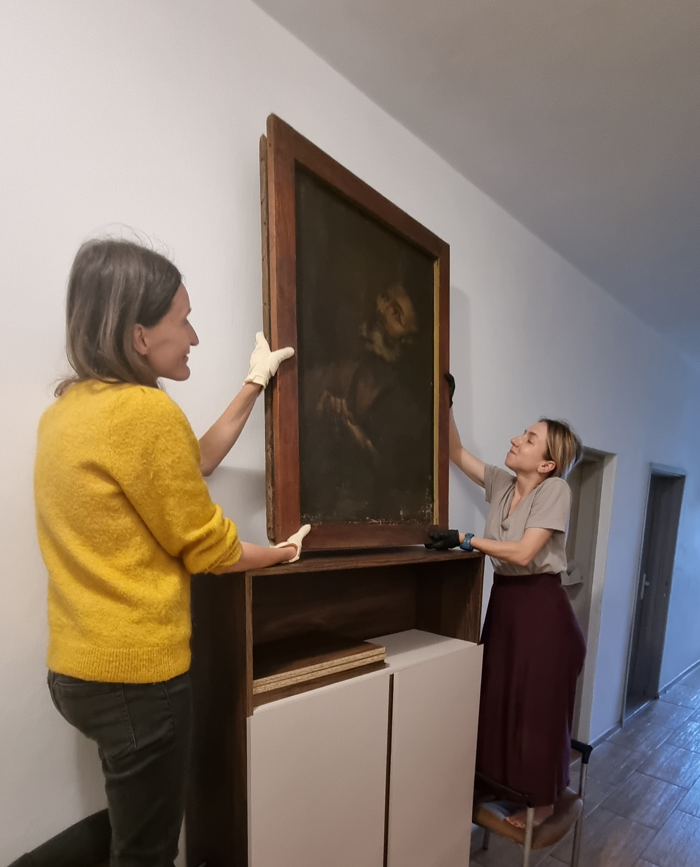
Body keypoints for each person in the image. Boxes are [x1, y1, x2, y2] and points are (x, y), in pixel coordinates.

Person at [33, 238, 308, 867]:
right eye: (183, 320)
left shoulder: (68, 412)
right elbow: (210, 548)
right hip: (136, 680)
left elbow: (192, 460)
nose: (194, 336)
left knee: (132, 826)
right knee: (149, 850)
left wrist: (254, 383)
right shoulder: (144, 412)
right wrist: (281, 554)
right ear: (138, 335)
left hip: (76, 671)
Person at [427, 375, 586, 829]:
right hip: (507, 604)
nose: (516, 439)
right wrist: (446, 401)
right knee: (496, 698)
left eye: (529, 438)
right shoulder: (501, 483)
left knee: (536, 712)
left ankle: (542, 800)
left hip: (543, 612)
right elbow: (454, 451)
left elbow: (524, 553)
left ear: (548, 464)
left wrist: (466, 539)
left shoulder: (555, 491)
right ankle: (497, 784)